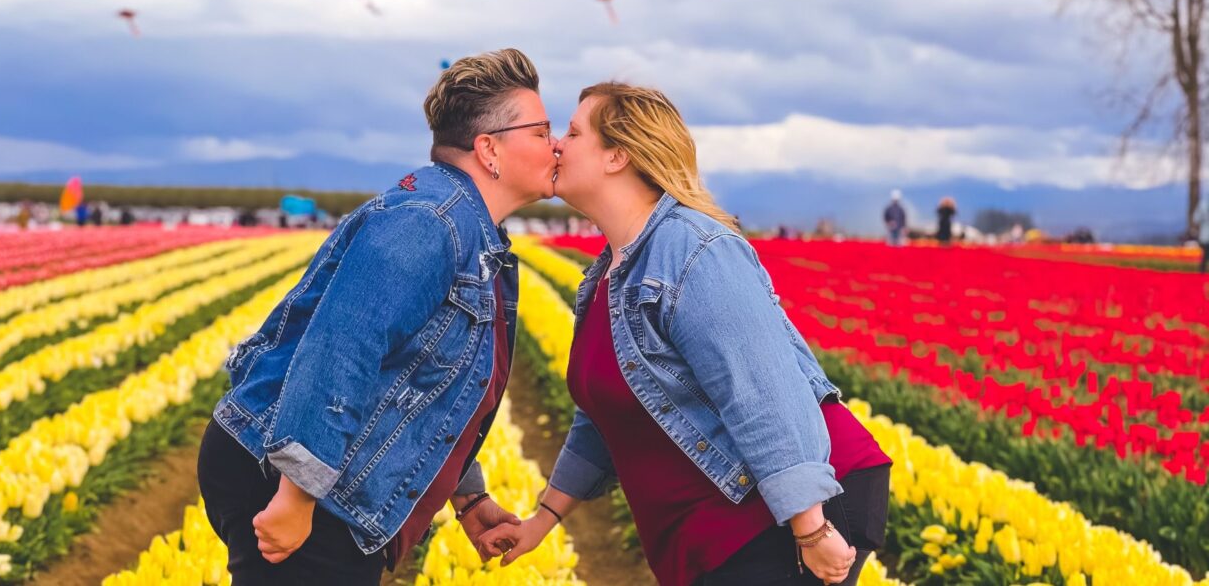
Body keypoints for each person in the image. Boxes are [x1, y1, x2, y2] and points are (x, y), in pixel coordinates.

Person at [477, 83, 892, 586]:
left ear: (617, 156)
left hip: (782, 511)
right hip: (716, 521)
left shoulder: (692, 249)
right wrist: (543, 521)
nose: (558, 144)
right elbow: (605, 415)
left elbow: (761, 391)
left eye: (573, 131)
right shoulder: (611, 273)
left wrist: (810, 528)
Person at [199, 48, 558, 585]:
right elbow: (343, 347)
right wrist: (298, 494)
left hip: (327, 481)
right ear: (489, 149)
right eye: (542, 131)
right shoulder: (428, 223)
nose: (555, 146)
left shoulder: (474, 233)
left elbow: (424, 379)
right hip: (296, 481)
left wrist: (468, 494)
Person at [1194, 196, 1209, 273]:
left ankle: (1202, 274)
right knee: (1205, 255)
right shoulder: (1203, 205)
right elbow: (1196, 219)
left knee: (1205, 256)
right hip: (1205, 236)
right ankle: (1202, 274)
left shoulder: (1202, 205)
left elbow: (1196, 219)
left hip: (1204, 236)